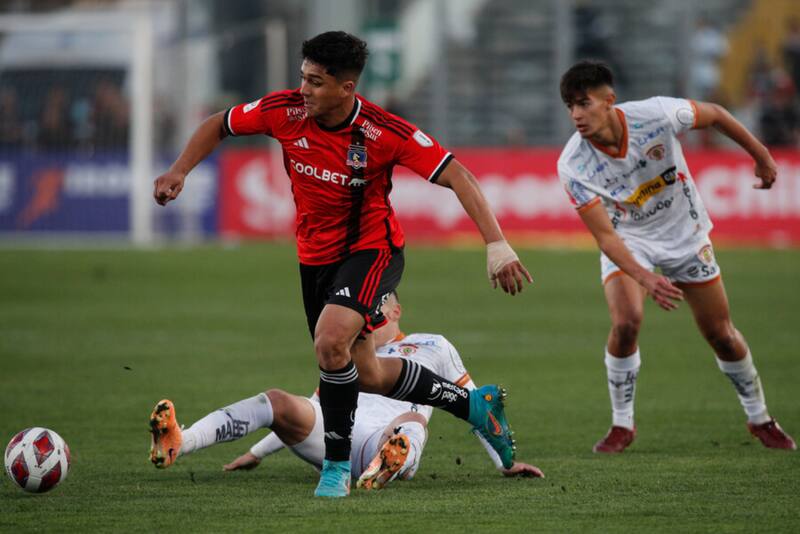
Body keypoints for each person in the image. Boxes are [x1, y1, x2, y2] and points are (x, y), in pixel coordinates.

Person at [153, 31, 532, 496]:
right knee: (365, 372)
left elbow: (458, 174)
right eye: (302, 78)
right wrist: (179, 170)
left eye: (315, 82)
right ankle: (475, 407)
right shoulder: (284, 110)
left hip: (372, 251)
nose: (304, 90)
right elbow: (219, 123)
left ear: (346, 88)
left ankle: (335, 470)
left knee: (330, 342)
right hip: (314, 258)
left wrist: (497, 244)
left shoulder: (382, 132)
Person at [556, 61, 796, 454]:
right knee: (627, 322)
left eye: (584, 103)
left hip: (685, 233)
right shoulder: (572, 164)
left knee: (721, 333)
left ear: (609, 100)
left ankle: (760, 417)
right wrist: (644, 277)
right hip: (630, 239)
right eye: (570, 106)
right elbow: (604, 236)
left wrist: (762, 156)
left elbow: (716, 114)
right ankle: (622, 424)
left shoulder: (656, 114)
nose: (576, 115)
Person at [149, 292, 544, 489]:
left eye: (377, 302)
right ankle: (180, 442)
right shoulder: (346, 348)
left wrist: (503, 463)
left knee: (409, 419)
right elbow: (316, 403)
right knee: (277, 400)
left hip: (387, 435)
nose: (367, 311)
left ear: (395, 310)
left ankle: (387, 463)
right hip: (335, 437)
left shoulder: (434, 346)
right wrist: (256, 452)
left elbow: (474, 404)